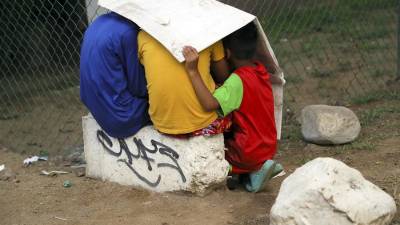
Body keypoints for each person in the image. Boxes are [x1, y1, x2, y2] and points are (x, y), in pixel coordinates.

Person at [182, 22, 282, 192]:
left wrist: (193, 71)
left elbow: (209, 104)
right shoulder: (261, 71)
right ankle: (255, 171)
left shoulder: (237, 81)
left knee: (217, 144)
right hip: (268, 147)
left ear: (226, 53)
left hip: (247, 152)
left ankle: (238, 171)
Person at [138, 31, 230, 136]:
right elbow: (224, 76)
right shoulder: (209, 32)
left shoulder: (144, 35)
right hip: (205, 122)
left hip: (163, 124)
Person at [80, 12, 150, 138]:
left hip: (96, 107)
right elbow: (139, 88)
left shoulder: (98, 21)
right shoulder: (129, 32)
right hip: (123, 116)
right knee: (168, 105)